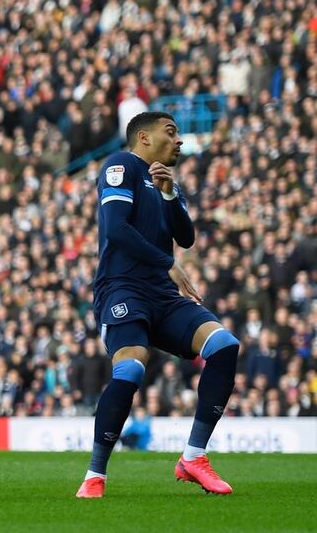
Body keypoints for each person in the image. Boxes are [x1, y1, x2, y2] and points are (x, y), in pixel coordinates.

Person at [76, 112, 240, 498]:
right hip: (123, 288)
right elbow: (116, 228)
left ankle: (193, 458)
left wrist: (169, 194)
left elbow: (186, 238)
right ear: (144, 138)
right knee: (131, 370)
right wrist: (167, 264)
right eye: (171, 132)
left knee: (224, 346)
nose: (180, 140)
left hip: (162, 296)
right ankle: (95, 475)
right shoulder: (121, 165)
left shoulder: (166, 182)